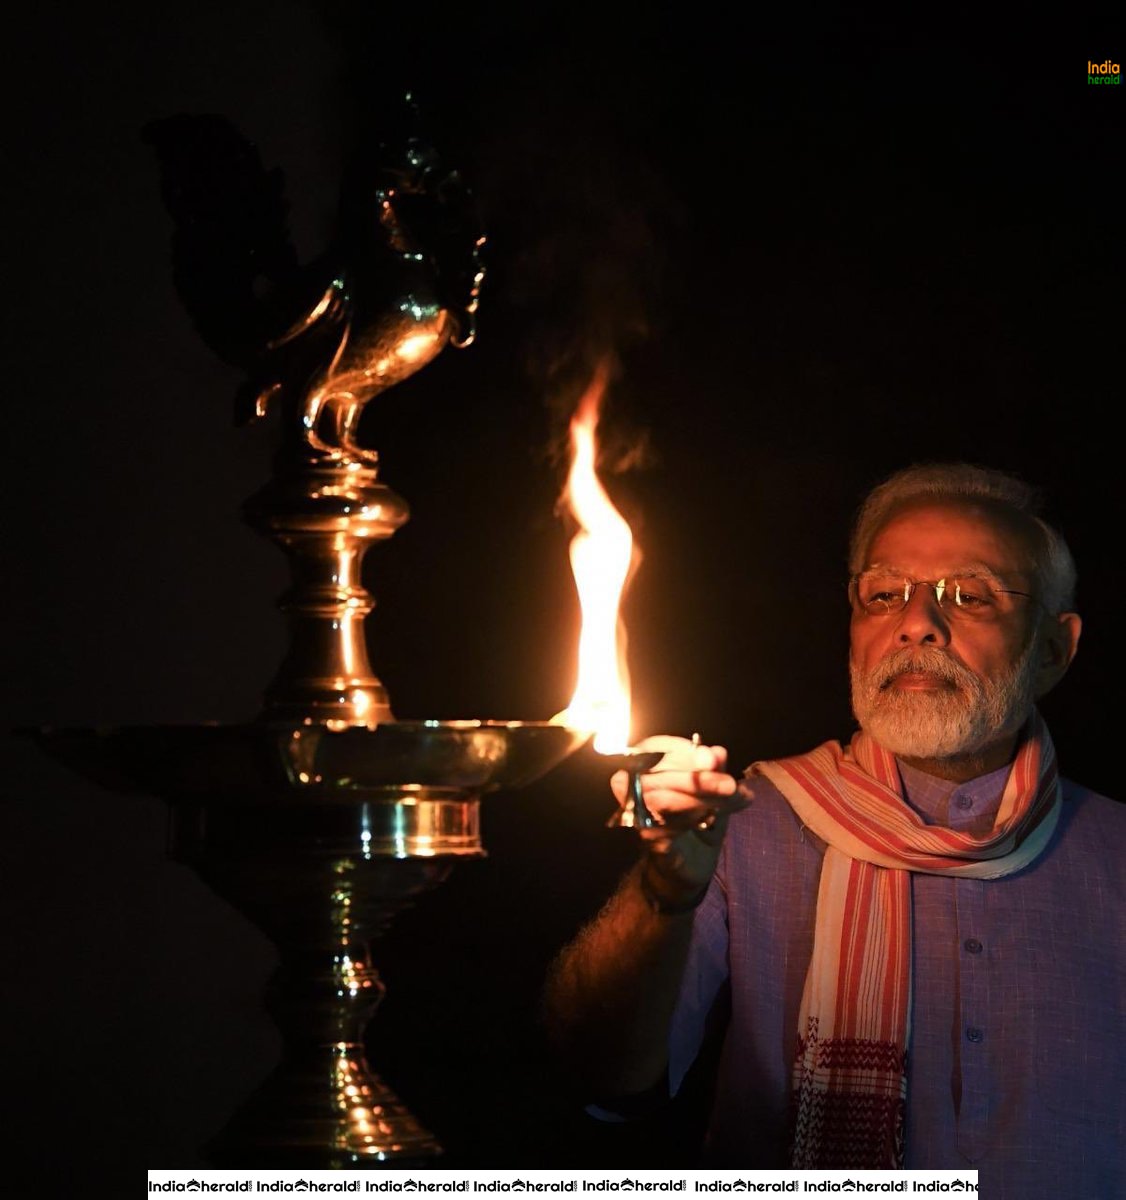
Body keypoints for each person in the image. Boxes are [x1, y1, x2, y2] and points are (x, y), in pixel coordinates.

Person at [543, 462, 1125, 1195]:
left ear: (1052, 650)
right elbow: (605, 1078)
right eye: (883, 595)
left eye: (970, 595)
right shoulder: (745, 820)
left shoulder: (1116, 854)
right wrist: (664, 892)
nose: (916, 622)